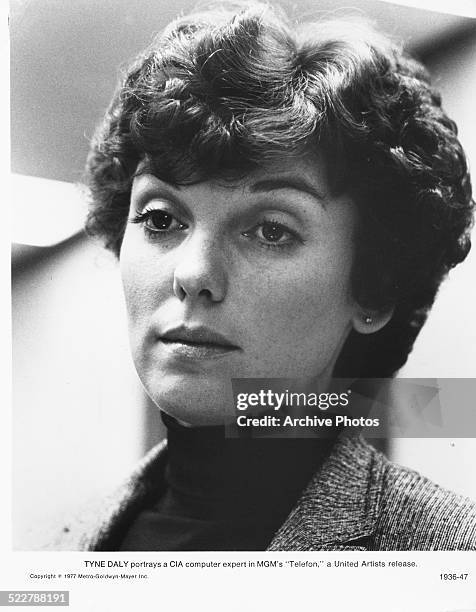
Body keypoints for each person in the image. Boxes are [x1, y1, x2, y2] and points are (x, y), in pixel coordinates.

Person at [60, 2, 476, 550]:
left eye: (272, 230)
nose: (193, 274)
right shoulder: (61, 551)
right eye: (161, 219)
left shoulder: (449, 552)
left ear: (373, 288)